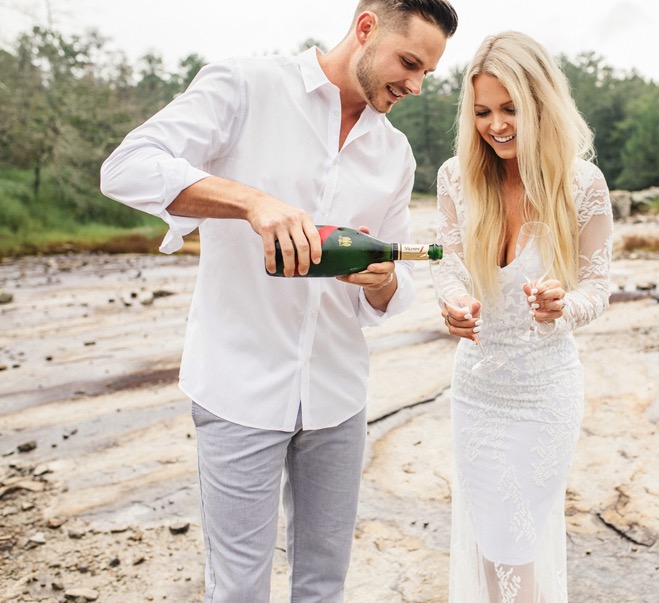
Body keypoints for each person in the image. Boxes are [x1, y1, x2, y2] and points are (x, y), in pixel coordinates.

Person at [99, 1, 458, 601]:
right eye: (410, 63)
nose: (417, 86)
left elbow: (394, 283)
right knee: (238, 589)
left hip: (338, 396)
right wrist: (250, 202)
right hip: (238, 388)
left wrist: (383, 282)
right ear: (366, 28)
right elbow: (126, 168)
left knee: (324, 585)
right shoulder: (245, 86)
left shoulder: (395, 154)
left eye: (428, 73)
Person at [434, 31, 614, 602]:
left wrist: (563, 307)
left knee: (517, 536)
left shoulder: (583, 185)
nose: (496, 125)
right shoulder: (456, 178)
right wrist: (453, 303)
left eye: (511, 108)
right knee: (492, 534)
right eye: (483, 111)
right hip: (477, 390)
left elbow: (597, 287)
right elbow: (449, 266)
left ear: (541, 103)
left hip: (545, 394)